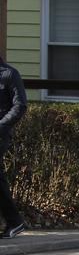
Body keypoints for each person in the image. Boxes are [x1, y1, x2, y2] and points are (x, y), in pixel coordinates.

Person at [0, 54, 28, 239]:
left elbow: (20, 105)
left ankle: (14, 220)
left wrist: (1, 125)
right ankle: (15, 221)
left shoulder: (9, 74)